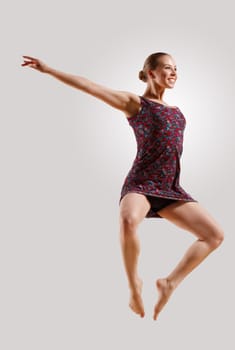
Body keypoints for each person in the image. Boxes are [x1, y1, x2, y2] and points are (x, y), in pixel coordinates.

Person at [21, 52, 224, 321]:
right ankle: (133, 285)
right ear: (151, 73)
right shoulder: (135, 104)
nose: (173, 73)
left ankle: (169, 283)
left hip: (170, 187)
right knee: (128, 220)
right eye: (167, 68)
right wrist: (49, 70)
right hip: (141, 183)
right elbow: (90, 86)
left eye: (176, 69)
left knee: (214, 235)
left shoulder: (178, 113)